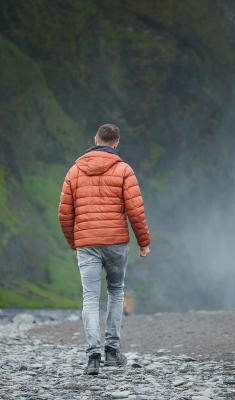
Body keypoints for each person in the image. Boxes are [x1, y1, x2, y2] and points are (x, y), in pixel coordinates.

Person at [58, 123, 151, 375]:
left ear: (95, 139)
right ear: (116, 143)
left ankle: (93, 357)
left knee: (89, 297)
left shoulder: (74, 171)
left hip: (86, 243)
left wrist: (73, 243)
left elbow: (64, 214)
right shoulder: (124, 170)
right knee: (116, 291)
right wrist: (143, 241)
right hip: (116, 242)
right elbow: (135, 211)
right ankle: (112, 350)